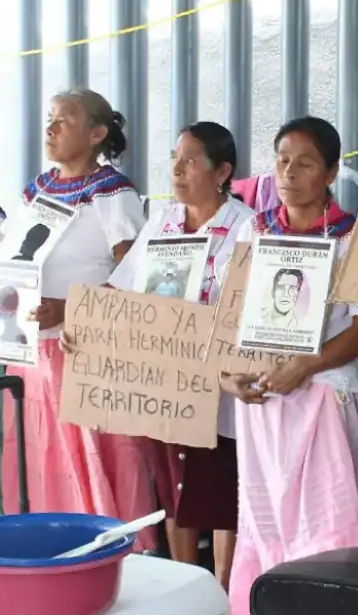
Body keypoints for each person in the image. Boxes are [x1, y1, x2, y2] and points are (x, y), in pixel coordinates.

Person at [219, 116, 358, 615]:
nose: (289, 171)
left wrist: (308, 365)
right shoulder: (253, 228)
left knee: (327, 521)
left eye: (305, 162)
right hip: (263, 398)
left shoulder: (354, 236)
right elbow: (231, 315)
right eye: (282, 160)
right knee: (266, 520)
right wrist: (231, 374)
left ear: (330, 172)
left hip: (325, 394)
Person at [99, 121, 253, 588]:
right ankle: (185, 585)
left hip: (220, 384)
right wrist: (89, 325)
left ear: (222, 170)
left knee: (222, 492)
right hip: (166, 379)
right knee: (173, 488)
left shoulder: (245, 226)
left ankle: (223, 588)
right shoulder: (163, 221)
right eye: (174, 157)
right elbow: (120, 287)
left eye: (190, 160)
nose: (177, 169)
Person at [0, 88, 152, 545]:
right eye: (49, 118)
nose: (50, 128)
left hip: (84, 351)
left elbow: (138, 278)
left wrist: (72, 309)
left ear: (96, 134)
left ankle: (107, 553)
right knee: (37, 458)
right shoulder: (37, 190)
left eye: (63, 121)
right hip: (31, 351)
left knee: (91, 460)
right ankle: (44, 549)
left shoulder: (113, 195)